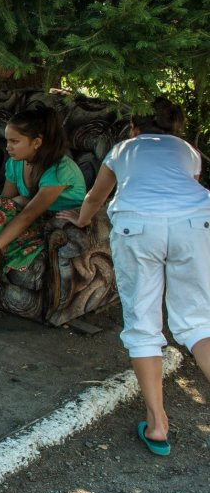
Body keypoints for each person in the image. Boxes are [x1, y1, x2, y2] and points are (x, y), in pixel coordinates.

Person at [58, 98, 210, 456]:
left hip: (138, 226)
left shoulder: (123, 148)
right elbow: (182, 192)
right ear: (174, 129)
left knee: (143, 324)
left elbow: (97, 196)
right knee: (198, 322)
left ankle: (157, 424)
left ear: (134, 129)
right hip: (196, 223)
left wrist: (80, 220)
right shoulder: (188, 151)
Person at [0, 103, 86, 332]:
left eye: (14, 141)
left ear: (37, 142)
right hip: (27, 219)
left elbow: (29, 213)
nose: (7, 147)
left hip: (54, 227)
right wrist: (15, 205)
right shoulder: (15, 163)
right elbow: (3, 205)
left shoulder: (60, 169)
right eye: (7, 140)